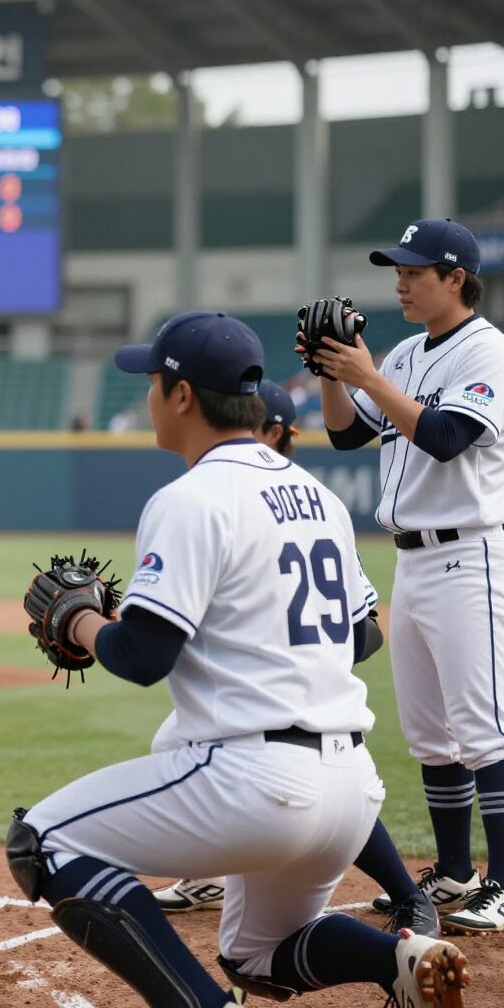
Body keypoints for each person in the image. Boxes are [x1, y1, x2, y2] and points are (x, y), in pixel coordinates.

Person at [7, 312, 470, 1008]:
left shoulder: (188, 498)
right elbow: (358, 636)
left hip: (255, 783)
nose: (149, 395)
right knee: (257, 953)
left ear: (182, 395)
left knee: (45, 841)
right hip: (352, 793)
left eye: (153, 382)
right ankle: (400, 962)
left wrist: (83, 622)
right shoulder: (316, 496)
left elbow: (145, 657)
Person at [307, 219, 504, 934]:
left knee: (484, 729)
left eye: (413, 272)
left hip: (474, 556)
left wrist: (366, 372)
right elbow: (347, 432)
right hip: (415, 558)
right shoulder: (405, 353)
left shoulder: (490, 354)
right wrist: (333, 375)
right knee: (432, 736)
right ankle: (457, 872)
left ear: (455, 278)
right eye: (396, 271)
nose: (399, 283)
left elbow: (442, 437)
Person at [153, 380, 438, 937]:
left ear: (276, 432)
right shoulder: (310, 499)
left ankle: (406, 894)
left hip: (287, 690)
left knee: (284, 765)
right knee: (180, 739)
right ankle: (209, 873)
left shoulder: (233, 495)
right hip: (294, 684)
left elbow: (361, 630)